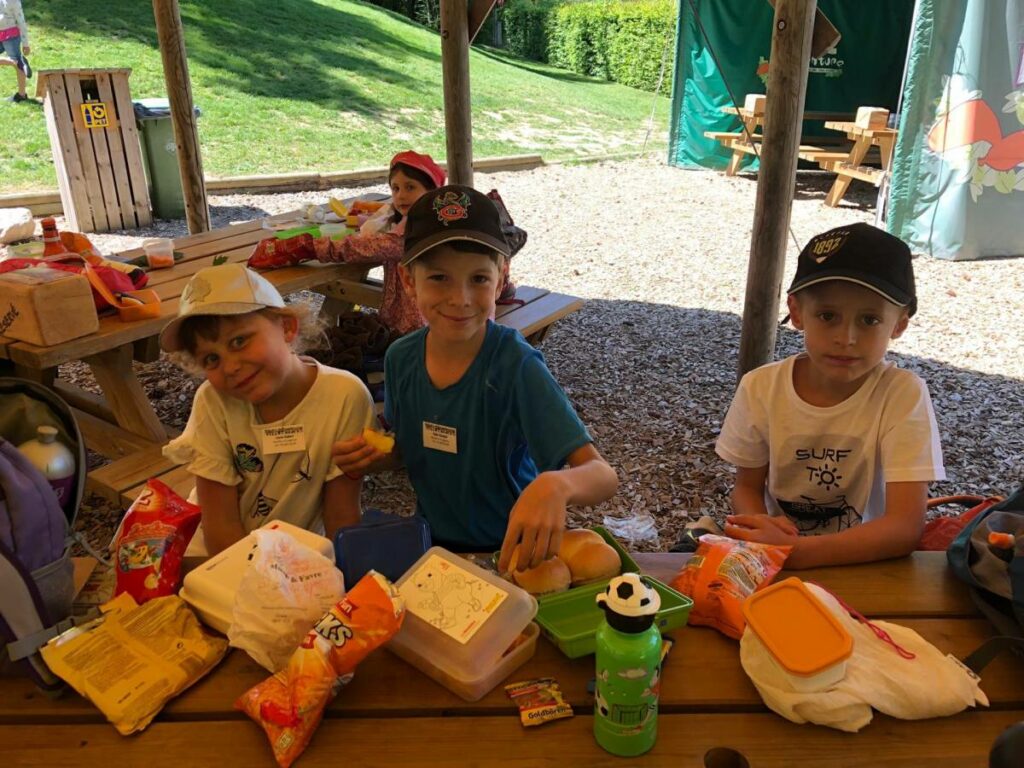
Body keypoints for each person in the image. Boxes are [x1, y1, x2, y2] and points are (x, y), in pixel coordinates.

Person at [331, 185, 618, 572]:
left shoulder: (515, 364)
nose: (460, 298)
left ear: (500, 280)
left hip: (512, 554)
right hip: (433, 549)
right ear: (408, 280)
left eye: (479, 279)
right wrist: (375, 457)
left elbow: (602, 476)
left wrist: (557, 484)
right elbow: (407, 447)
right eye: (439, 277)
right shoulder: (401, 358)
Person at [717, 223, 945, 568]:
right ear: (797, 312)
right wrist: (760, 527)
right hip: (778, 559)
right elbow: (747, 488)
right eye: (828, 316)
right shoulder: (761, 387)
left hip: (867, 561)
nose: (846, 338)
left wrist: (794, 553)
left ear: (899, 324)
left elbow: (904, 528)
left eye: (869, 320)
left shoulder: (902, 394)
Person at [159, 263, 376, 556]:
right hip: (220, 555)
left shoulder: (345, 396)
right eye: (211, 359)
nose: (230, 367)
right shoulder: (213, 401)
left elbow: (342, 513)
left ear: (286, 327)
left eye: (239, 341)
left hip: (297, 556)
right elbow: (220, 526)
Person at [314, 150, 446, 336]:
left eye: (410, 187)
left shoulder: (410, 234)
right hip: (411, 322)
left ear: (432, 192)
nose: (400, 195)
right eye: (395, 188)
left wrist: (310, 247)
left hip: (418, 328)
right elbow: (381, 226)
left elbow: (361, 248)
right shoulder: (427, 221)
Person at [0, 0, 31, 103]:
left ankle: (22, 95)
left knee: (18, 65)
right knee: (18, 63)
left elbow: (21, 21)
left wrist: (25, 44)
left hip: (10, 35)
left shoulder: (13, 1)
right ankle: (16, 61)